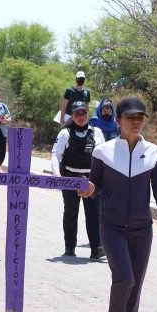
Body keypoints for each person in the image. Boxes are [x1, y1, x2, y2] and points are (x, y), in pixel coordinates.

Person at [79, 96, 157, 312]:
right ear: (118, 119)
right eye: (130, 117)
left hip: (142, 229)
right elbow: (95, 184)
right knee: (124, 277)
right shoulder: (104, 152)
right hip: (112, 227)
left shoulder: (154, 153)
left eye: (140, 117)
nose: (136, 122)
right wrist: (88, 189)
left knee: (137, 283)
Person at [51, 101, 106, 259]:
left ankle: (96, 248)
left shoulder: (96, 132)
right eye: (77, 114)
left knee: (94, 214)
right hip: (70, 178)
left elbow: (104, 156)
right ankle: (69, 247)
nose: (81, 117)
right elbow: (55, 154)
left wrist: (105, 178)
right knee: (70, 213)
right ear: (72, 116)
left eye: (84, 113)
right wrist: (57, 176)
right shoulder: (65, 133)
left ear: (89, 114)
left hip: (91, 180)